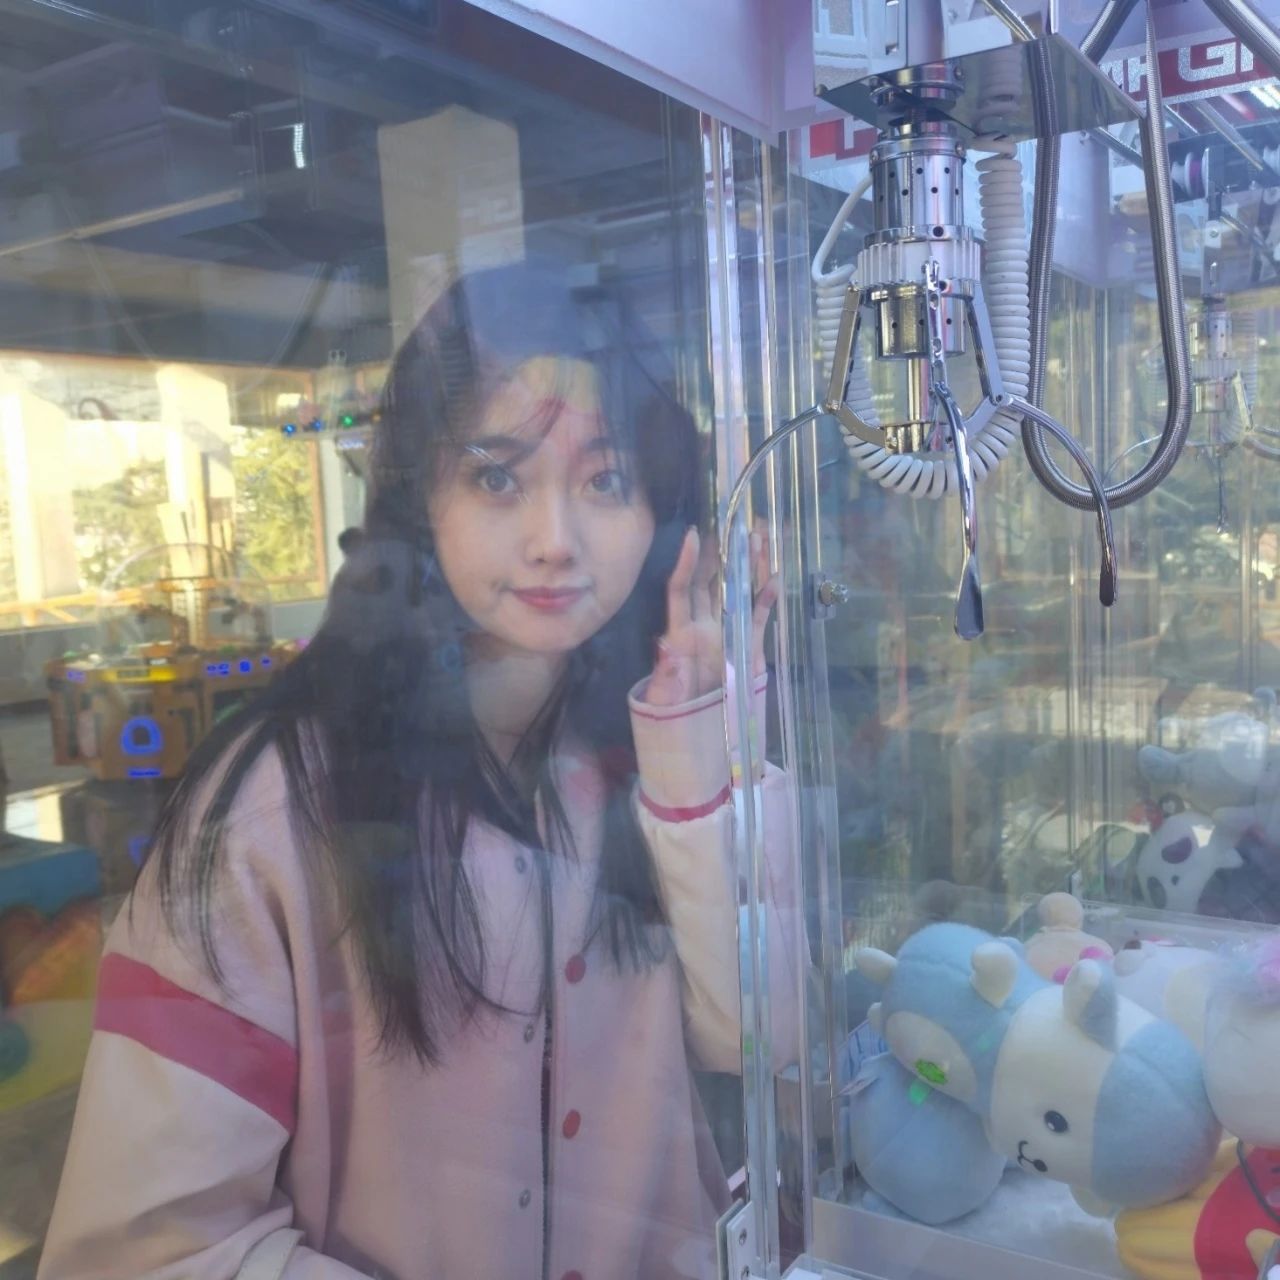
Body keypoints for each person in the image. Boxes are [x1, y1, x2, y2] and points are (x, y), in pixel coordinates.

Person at [37, 261, 799, 1280]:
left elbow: (759, 1040)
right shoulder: (270, 811)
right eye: (497, 477)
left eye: (605, 481)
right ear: (416, 502)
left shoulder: (644, 750)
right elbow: (147, 1248)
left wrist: (697, 744)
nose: (554, 541)